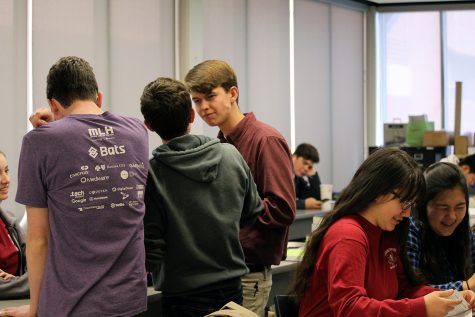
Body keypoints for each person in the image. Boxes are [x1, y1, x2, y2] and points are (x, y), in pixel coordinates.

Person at [1, 56, 149, 316]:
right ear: (99, 98)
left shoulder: (40, 142)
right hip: (130, 302)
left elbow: (38, 239)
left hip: (72, 305)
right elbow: (94, 128)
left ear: (53, 105)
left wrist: (35, 308)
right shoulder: (137, 131)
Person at [292, 147, 475, 317]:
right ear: (378, 191)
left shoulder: (388, 233)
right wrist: (421, 307)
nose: (408, 213)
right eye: (404, 203)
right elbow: (350, 308)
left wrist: (451, 297)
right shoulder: (348, 235)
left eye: (411, 205)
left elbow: (404, 290)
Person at [140, 77, 263, 316]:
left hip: (182, 297)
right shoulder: (231, 155)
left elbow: (152, 245)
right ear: (191, 116)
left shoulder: (152, 174)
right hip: (232, 291)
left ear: (148, 125)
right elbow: (253, 212)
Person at [184, 60, 296, 316]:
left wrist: (227, 215)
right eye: (197, 100)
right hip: (219, 271)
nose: (204, 107)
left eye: (211, 96)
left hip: (248, 273)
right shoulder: (218, 145)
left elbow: (282, 208)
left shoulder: (265, 140)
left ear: (233, 93)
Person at [406, 162, 475, 292]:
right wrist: (465, 286)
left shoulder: (464, 233)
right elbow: (412, 291)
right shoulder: (410, 232)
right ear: (423, 205)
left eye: (460, 207)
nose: (452, 216)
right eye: (443, 207)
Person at [0, 150, 29, 299]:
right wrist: (38, 281)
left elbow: (33, 265)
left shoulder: (10, 221)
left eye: (6, 171)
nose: (6, 180)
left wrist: (15, 282)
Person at [293, 143, 322, 209]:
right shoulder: (280, 174)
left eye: (310, 166)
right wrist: (304, 204)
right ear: (294, 158)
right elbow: (278, 202)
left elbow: (316, 197)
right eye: (305, 163)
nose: (306, 169)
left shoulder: (297, 179)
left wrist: (313, 175)